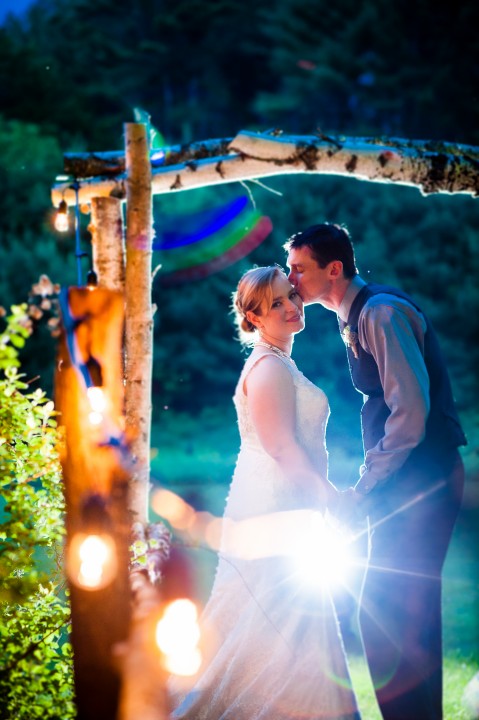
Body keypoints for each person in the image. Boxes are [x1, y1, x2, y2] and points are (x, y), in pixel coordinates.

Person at [285, 223, 467, 720]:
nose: (291, 278)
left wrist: (364, 488)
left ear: (334, 269)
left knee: (385, 614)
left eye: (299, 269)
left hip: (422, 482)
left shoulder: (382, 313)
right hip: (408, 482)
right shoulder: (355, 315)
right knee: (406, 616)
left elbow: (410, 415)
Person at [169, 265, 360, 720]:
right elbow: (279, 446)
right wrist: (328, 498)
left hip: (277, 501)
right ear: (253, 318)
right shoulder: (269, 367)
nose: (292, 307)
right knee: (281, 617)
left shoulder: (279, 362)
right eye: (276, 303)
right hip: (273, 508)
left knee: (285, 621)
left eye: (291, 296)